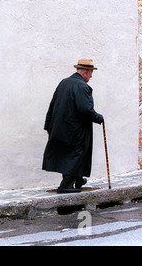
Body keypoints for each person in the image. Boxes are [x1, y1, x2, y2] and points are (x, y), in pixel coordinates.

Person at [42, 59, 104, 193]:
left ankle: (78, 178)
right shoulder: (81, 86)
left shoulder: (64, 82)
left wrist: (48, 126)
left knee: (70, 154)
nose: (92, 76)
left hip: (60, 128)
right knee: (76, 153)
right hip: (75, 129)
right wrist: (99, 118)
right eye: (91, 73)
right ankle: (66, 185)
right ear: (86, 72)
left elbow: (52, 105)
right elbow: (85, 109)